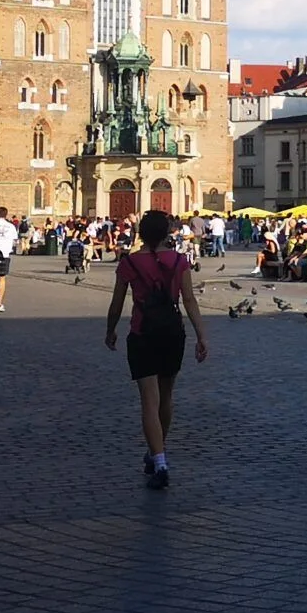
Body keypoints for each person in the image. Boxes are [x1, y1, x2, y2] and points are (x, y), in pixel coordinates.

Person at [104, 210, 207, 489]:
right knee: (166, 397)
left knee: (148, 400)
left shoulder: (129, 263)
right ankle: (156, 451)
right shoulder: (180, 261)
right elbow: (189, 300)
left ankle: (159, 460)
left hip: (142, 333)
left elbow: (116, 303)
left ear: (141, 234)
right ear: (166, 233)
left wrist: (110, 329)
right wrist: (201, 335)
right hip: (173, 332)